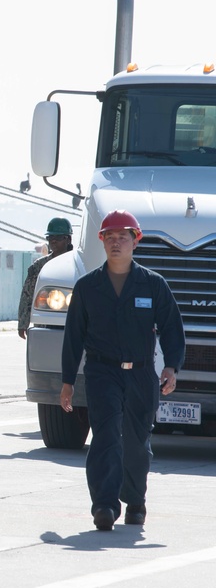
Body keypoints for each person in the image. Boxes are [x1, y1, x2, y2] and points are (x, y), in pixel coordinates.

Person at [60, 210, 184, 531]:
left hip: (142, 374)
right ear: (101, 241)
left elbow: (172, 327)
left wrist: (171, 366)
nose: (116, 243)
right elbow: (73, 336)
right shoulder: (88, 287)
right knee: (105, 437)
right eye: (110, 237)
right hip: (102, 372)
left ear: (135, 241)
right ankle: (104, 504)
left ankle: (136, 502)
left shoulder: (153, 285)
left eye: (123, 237)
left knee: (137, 441)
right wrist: (67, 382)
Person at [18, 217, 74, 338]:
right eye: (50, 238)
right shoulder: (39, 266)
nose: (53, 241)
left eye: (58, 238)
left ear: (68, 239)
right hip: (46, 323)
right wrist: (23, 323)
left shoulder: (78, 265)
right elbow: (27, 294)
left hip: (72, 323)